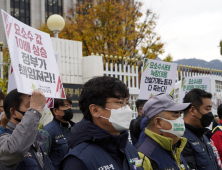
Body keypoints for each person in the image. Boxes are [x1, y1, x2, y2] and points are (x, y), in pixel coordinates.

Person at [60, 76, 143, 170]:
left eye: (127, 103)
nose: (127, 109)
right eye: (120, 103)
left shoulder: (129, 148)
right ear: (95, 110)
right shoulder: (78, 160)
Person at [0, 89, 54, 170]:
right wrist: (35, 109)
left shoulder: (36, 140)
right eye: (30, 107)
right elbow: (16, 150)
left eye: (34, 107)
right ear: (13, 112)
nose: (36, 111)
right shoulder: (4, 141)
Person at [135, 93, 191, 170]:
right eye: (175, 115)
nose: (181, 120)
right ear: (158, 122)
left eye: (180, 115)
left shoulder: (174, 147)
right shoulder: (143, 156)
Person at [182, 88, 220, 170]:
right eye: (207, 109)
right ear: (192, 110)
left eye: (210, 109)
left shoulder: (203, 135)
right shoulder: (181, 139)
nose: (210, 114)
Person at [39, 97, 75, 170]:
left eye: (70, 106)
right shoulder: (46, 132)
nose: (69, 108)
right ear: (55, 111)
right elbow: (42, 160)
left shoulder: (76, 128)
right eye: (66, 106)